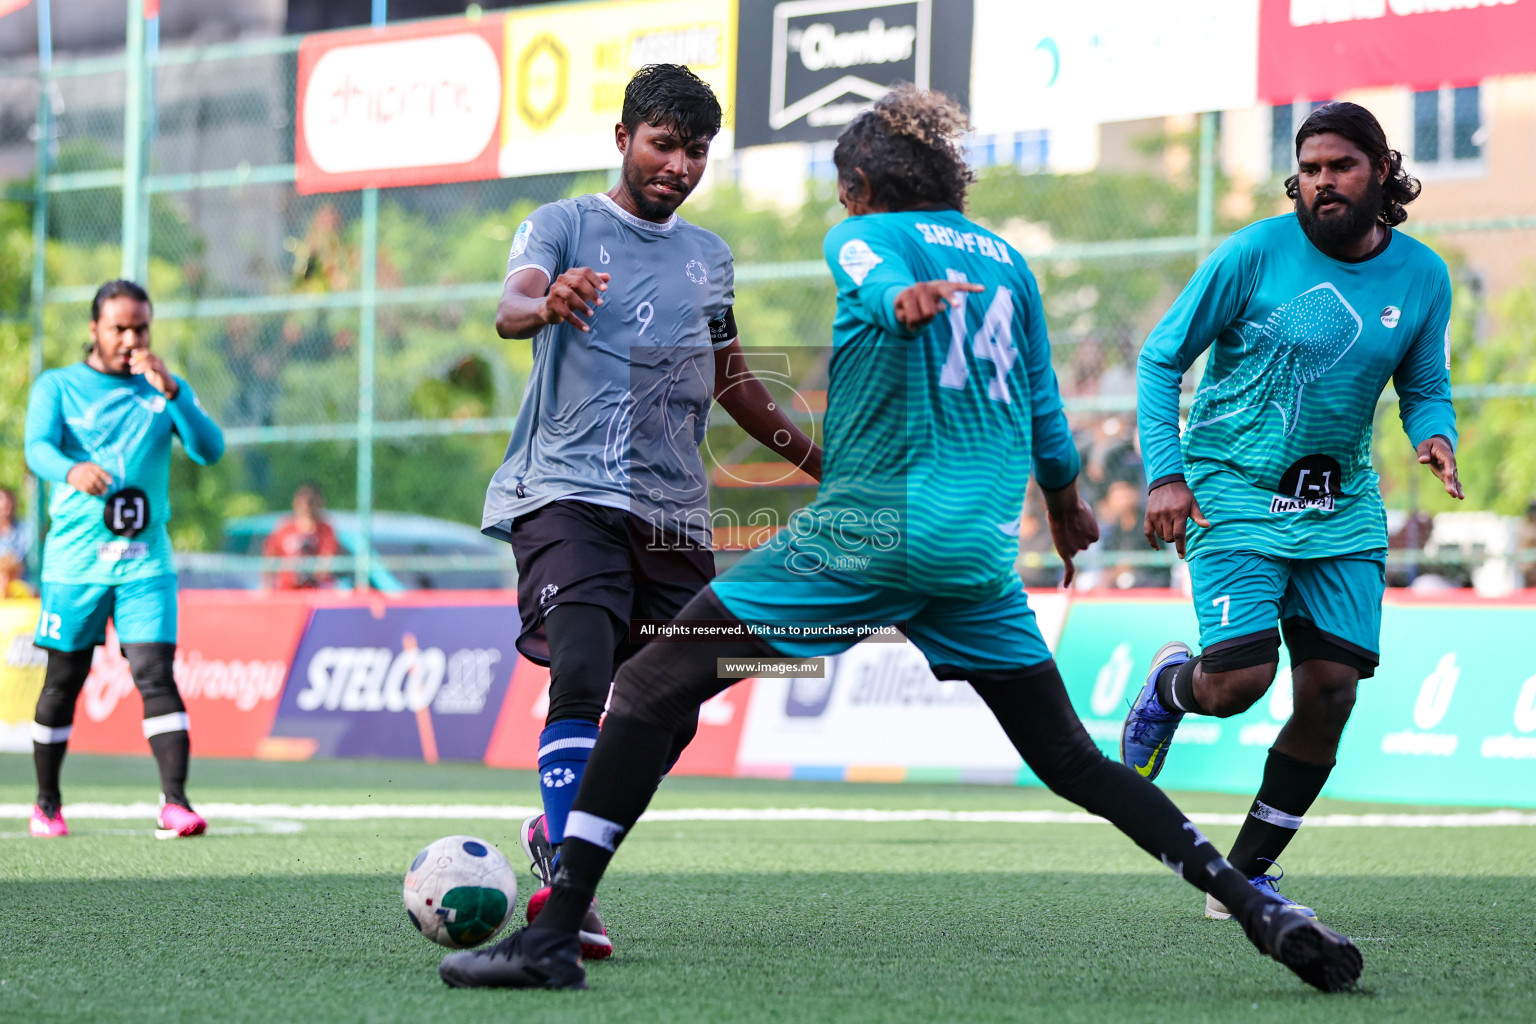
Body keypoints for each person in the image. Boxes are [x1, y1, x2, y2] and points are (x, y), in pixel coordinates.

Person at [441, 86, 1362, 994]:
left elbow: (870, 281)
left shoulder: (864, 236)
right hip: (976, 555)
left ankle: (553, 934)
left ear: (866, 185)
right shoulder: (1008, 261)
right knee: (1072, 758)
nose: (842, 205)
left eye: (845, 187)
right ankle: (1257, 907)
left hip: (869, 535)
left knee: (646, 685)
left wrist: (895, 297)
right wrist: (1068, 504)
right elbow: (1044, 407)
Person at [479, 64, 821, 959]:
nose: (678, 164)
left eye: (696, 150)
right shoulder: (565, 225)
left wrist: (821, 463)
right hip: (566, 491)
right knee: (585, 674)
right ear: (624, 138)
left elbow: (733, 381)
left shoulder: (710, 256)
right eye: (664, 143)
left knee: (674, 705)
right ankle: (566, 896)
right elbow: (512, 304)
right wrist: (546, 301)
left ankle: (561, 832)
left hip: (671, 513)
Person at [1123, 102, 1462, 920]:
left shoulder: (1423, 275)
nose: (1322, 183)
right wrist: (1165, 477)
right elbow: (1161, 357)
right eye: (1309, 170)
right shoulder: (1251, 253)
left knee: (1331, 692)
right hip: (1230, 486)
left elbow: (1423, 383)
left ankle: (1246, 877)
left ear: (1382, 171)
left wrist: (1435, 432)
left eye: (1340, 166)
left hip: (1339, 506)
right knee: (1239, 680)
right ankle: (1171, 688)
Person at [24, 279, 225, 839]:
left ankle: (176, 803)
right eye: (119, 328)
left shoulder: (162, 388)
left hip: (144, 566)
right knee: (63, 681)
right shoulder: (58, 386)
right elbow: (35, 446)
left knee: (155, 674)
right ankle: (46, 803)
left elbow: (210, 450)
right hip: (75, 566)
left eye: (140, 327)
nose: (131, 338)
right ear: (94, 329)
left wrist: (175, 393)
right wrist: (69, 469)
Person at [263, 481, 341, 589]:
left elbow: (326, 561)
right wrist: (267, 587)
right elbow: (270, 558)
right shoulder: (285, 529)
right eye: (303, 502)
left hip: (315, 591)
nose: (307, 507)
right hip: (288, 591)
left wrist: (312, 572)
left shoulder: (325, 531)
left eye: (312, 502)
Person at [0, 486, 35, 579]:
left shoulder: (24, 529)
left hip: (22, 584)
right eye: (2, 509)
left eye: (7, 507)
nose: (5, 513)